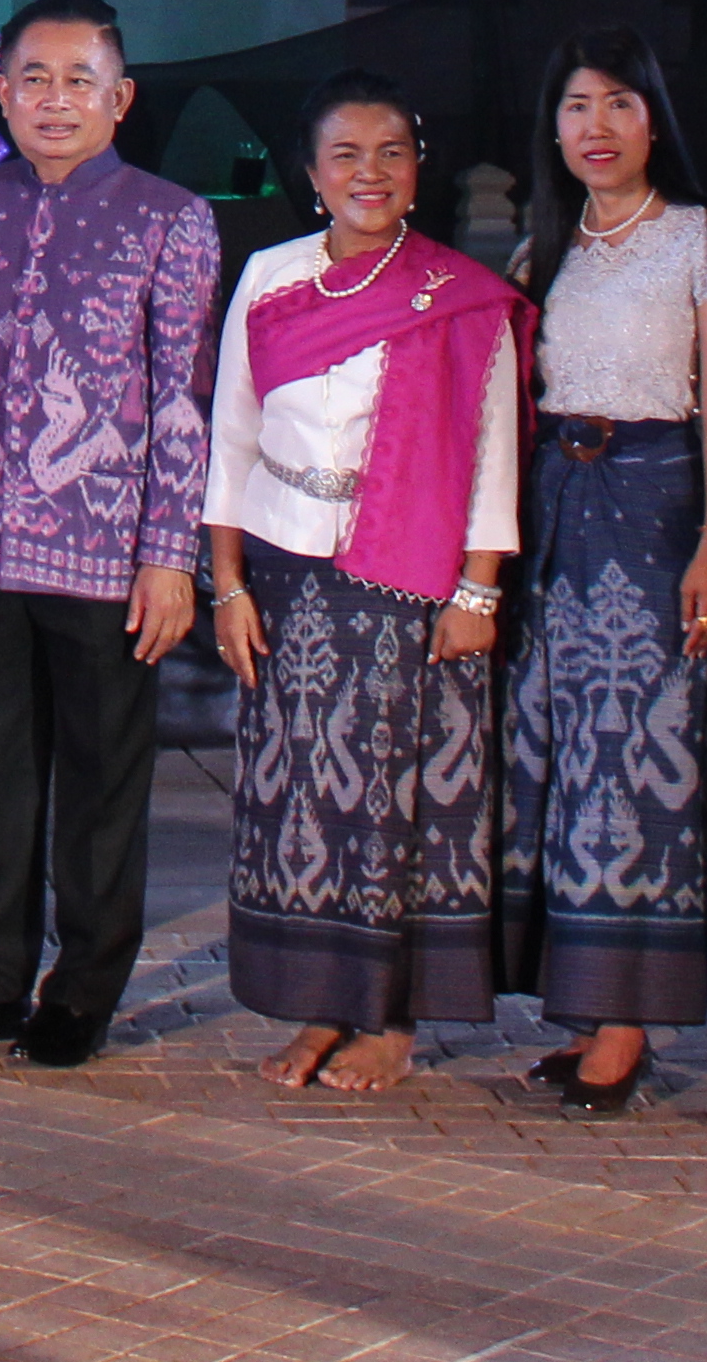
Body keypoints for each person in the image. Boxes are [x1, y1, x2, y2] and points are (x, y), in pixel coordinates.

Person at [0, 0, 222, 1070]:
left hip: (107, 555)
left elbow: (183, 397)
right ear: (2, 92)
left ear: (121, 99)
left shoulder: (171, 219)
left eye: (81, 80)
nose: (56, 99)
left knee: (101, 784)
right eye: (35, 78)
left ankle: (80, 991)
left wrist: (170, 558)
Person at [206, 69, 524, 1096]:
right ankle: (320, 1008)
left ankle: (389, 1022)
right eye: (345, 154)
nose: (369, 173)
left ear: (418, 171)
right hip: (288, 565)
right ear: (311, 173)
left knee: (399, 804)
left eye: (390, 152)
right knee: (299, 793)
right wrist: (228, 583)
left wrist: (478, 591)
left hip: (411, 576)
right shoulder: (268, 280)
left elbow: (492, 453)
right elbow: (230, 437)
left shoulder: (461, 296)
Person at [495, 29, 707, 1113]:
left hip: (657, 504)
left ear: (654, 118)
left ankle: (629, 1024)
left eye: (618, 105)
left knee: (642, 760)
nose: (595, 128)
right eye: (576, 107)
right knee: (552, 757)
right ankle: (581, 1004)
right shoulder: (539, 249)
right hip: (555, 500)